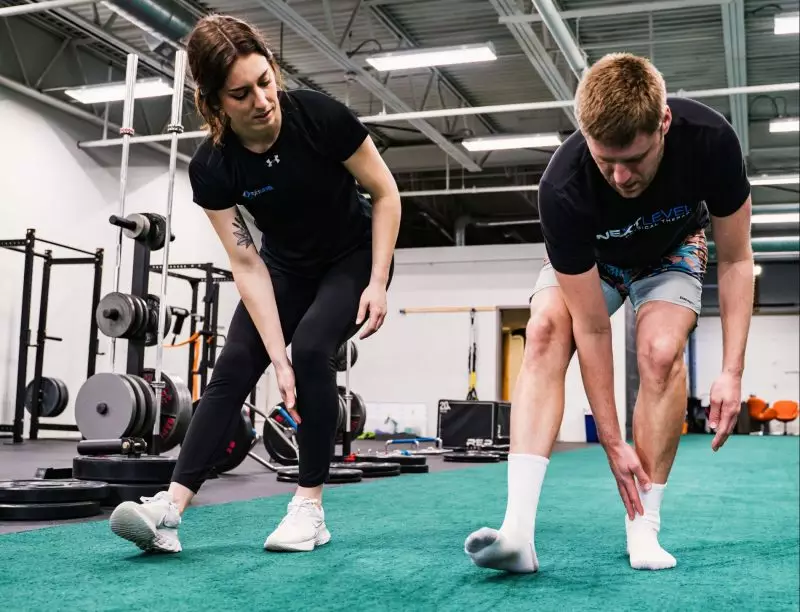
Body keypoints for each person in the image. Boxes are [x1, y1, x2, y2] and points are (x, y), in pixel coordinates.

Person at [108, 14, 401, 554]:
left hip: (352, 256)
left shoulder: (319, 117)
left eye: (265, 81)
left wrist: (378, 280)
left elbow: (385, 192)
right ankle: (169, 509)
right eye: (241, 94)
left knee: (313, 348)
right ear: (215, 102)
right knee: (235, 366)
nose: (263, 100)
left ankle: (308, 506)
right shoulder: (213, 167)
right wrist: (274, 357)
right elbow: (247, 265)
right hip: (284, 267)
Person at [465, 53, 753, 573]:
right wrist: (612, 440)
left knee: (661, 353)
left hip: (671, 251)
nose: (620, 177)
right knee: (547, 328)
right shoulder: (562, 187)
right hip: (595, 259)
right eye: (605, 161)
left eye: (635, 160)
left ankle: (644, 527)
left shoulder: (711, 142)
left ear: (663, 123)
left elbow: (736, 260)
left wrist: (732, 371)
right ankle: (517, 532)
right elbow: (593, 325)